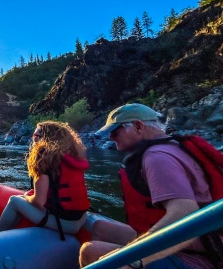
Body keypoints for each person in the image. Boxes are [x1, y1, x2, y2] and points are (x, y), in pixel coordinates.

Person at [79, 103, 219, 269]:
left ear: (138, 126)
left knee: (90, 251)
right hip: (201, 245)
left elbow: (185, 212)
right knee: (100, 228)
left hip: (196, 257)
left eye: (115, 131)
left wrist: (135, 259)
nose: (110, 137)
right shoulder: (173, 146)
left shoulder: (156, 158)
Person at [0, 121, 90, 240]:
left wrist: (27, 196)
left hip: (65, 223)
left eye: (35, 135)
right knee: (24, 199)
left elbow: (39, 201)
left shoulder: (44, 157)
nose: (32, 138)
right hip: (81, 218)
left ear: (45, 138)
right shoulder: (71, 156)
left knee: (14, 200)